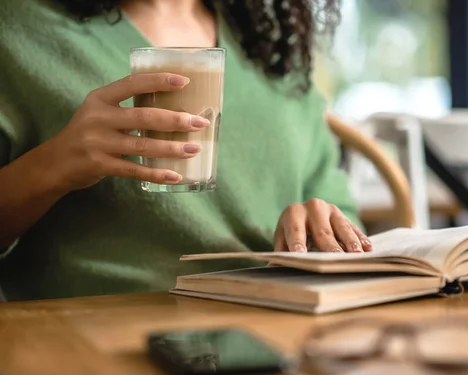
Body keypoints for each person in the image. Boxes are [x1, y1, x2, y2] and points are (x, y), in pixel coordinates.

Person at [0, 0, 372, 301]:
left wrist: (318, 228)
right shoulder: (18, 28)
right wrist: (49, 166)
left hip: (274, 326)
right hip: (93, 338)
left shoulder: (272, 43)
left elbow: (349, 225)